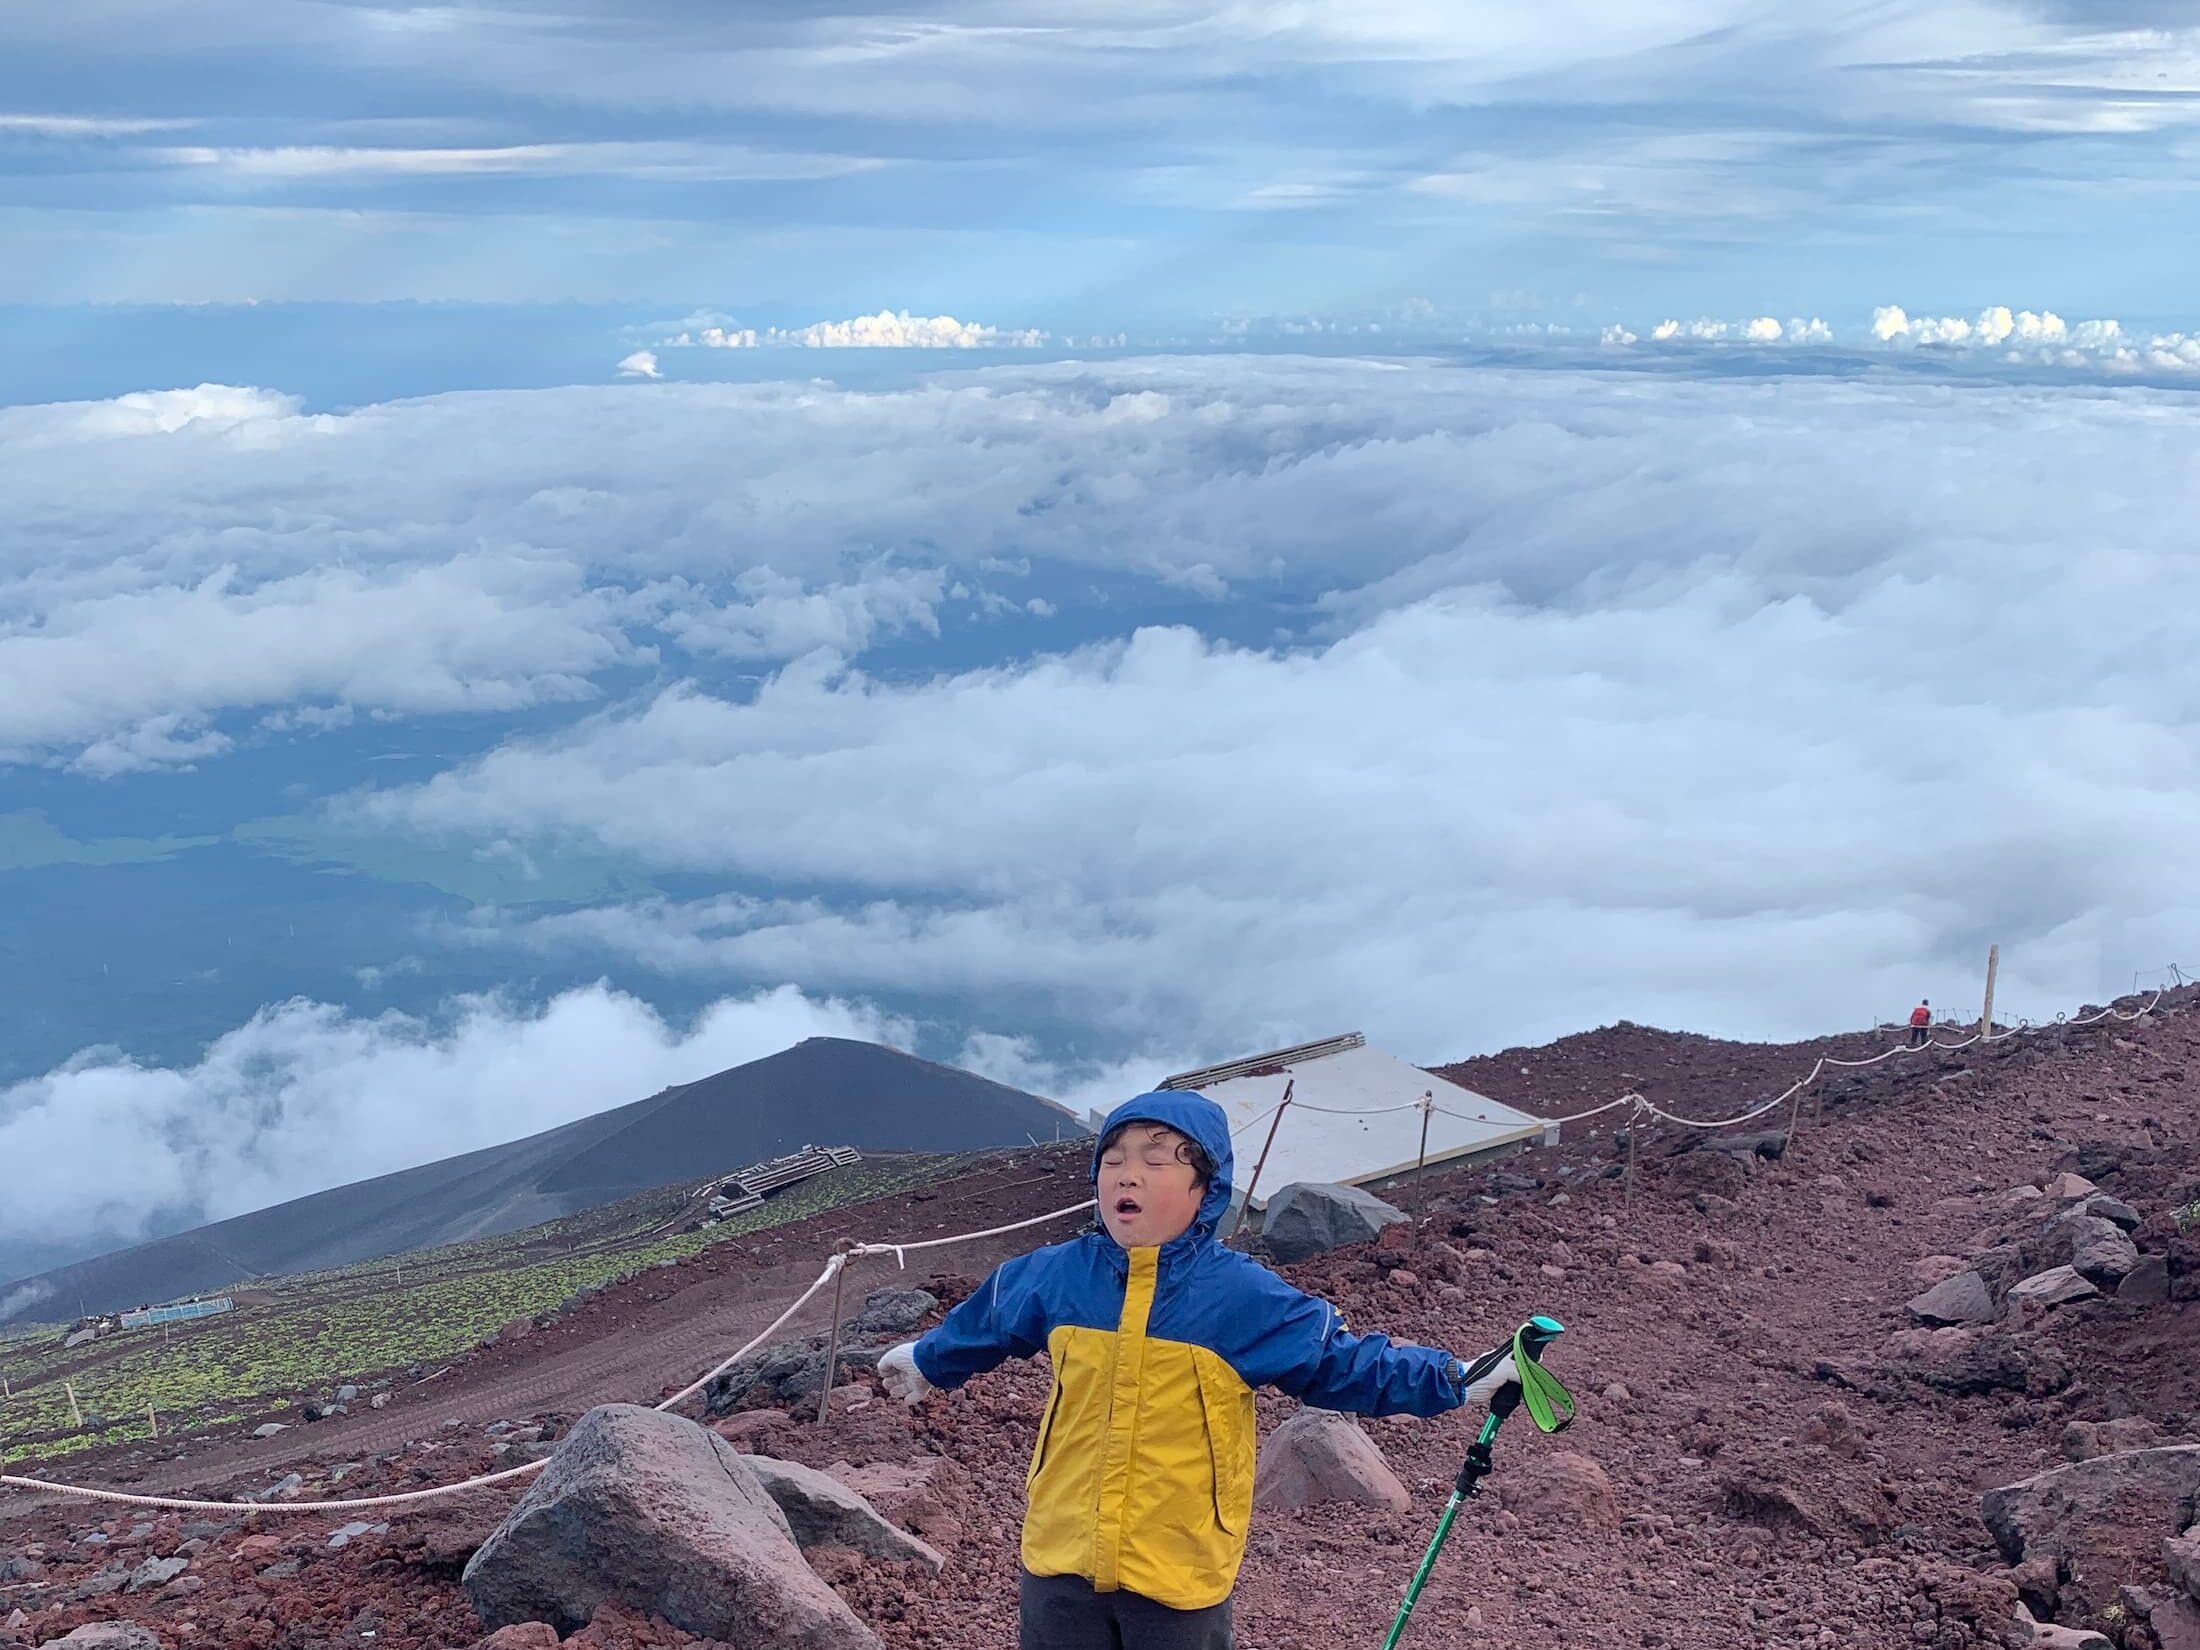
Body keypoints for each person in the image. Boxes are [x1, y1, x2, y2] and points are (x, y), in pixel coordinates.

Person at [876, 1091, 1519, 1650]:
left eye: (1157, 1161)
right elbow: (990, 1319)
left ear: (1204, 1189)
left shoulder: (1240, 1296)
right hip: (1060, 1550)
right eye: (1114, 1159)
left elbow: (1341, 1362)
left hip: (1177, 1562)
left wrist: (1457, 1380)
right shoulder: (1057, 1274)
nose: (1128, 1176)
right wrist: (929, 1361)